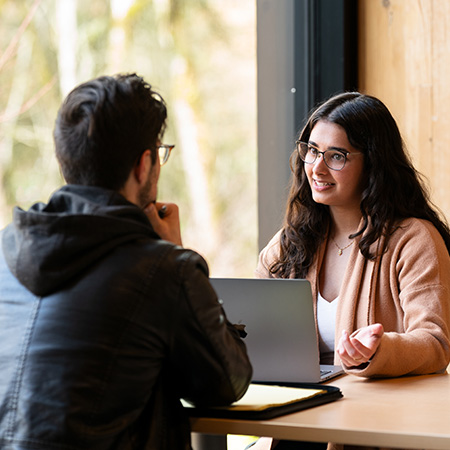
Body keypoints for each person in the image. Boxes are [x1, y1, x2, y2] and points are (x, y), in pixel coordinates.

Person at [0, 73, 252, 450]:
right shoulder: (164, 269)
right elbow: (229, 382)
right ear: (144, 164)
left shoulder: (6, 252)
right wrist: (179, 255)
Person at [254, 92, 450, 450]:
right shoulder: (293, 241)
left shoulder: (413, 239)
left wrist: (379, 351)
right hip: (297, 419)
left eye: (337, 156)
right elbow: (248, 317)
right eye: (312, 150)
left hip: (376, 427)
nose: (316, 167)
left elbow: (434, 342)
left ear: (373, 163)